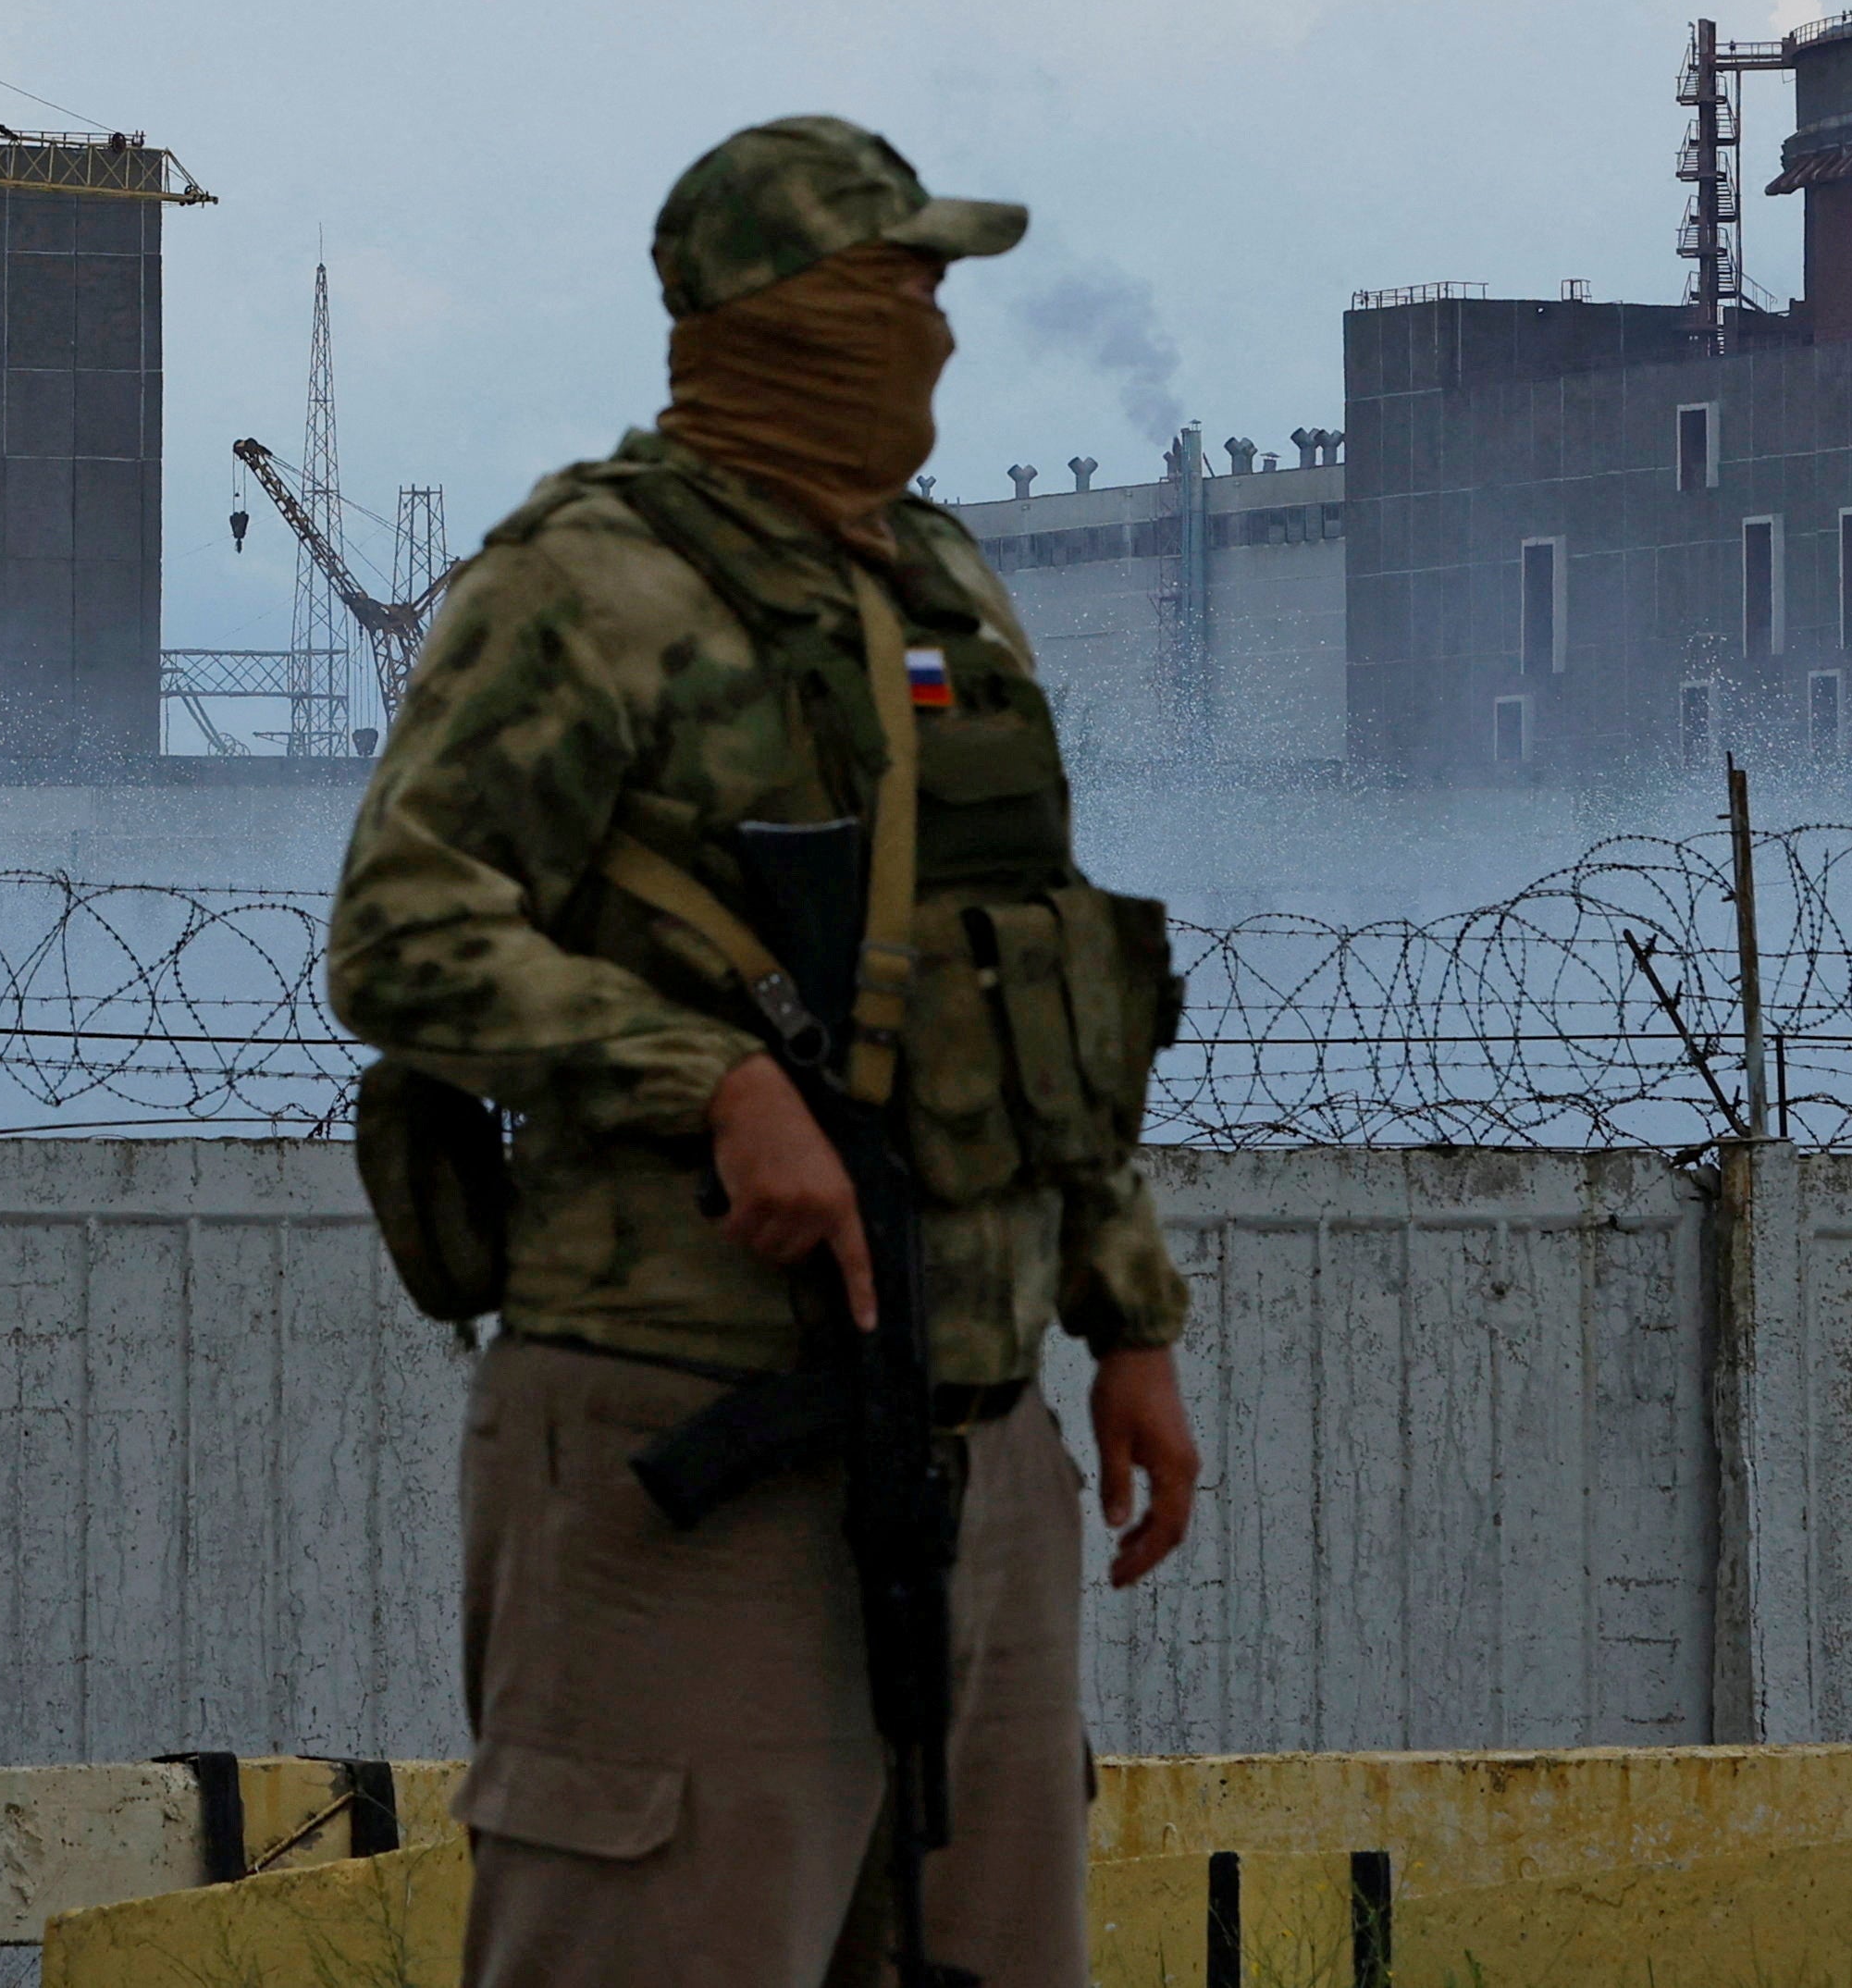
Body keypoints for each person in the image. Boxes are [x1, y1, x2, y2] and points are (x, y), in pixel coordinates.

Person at [326, 114, 1201, 1988]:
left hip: (978, 1452)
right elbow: (402, 929)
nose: (936, 334)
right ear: (777, 317)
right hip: (685, 1435)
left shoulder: (950, 588)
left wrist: (1125, 1321)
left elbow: (1035, 969)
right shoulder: (584, 586)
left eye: (940, 290)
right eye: (895, 288)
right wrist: (705, 1078)